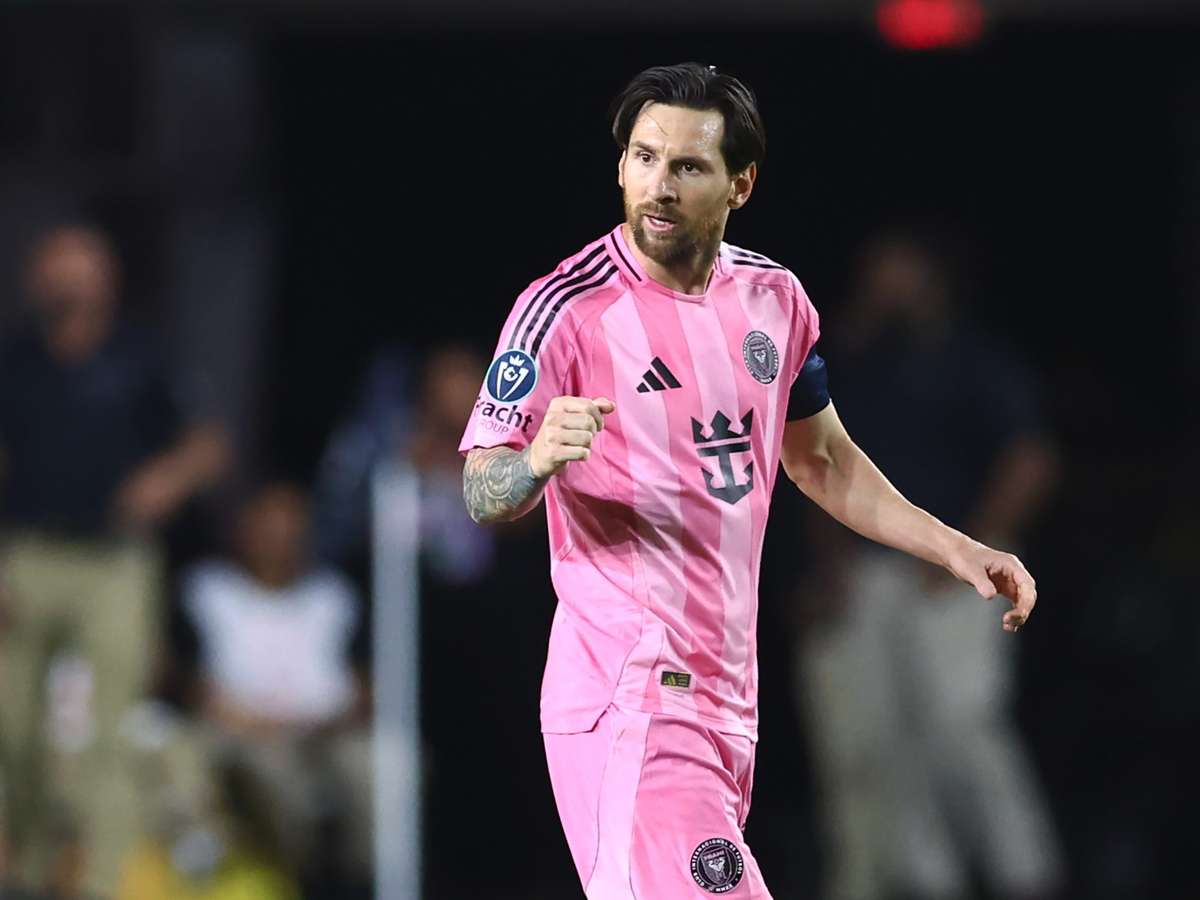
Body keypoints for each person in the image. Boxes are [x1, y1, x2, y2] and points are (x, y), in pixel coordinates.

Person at [458, 63, 1036, 900]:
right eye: (644, 158)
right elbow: (480, 488)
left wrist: (956, 548)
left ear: (741, 184)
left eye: (688, 165)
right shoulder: (565, 309)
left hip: (728, 704)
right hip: (631, 701)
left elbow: (823, 461)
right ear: (620, 166)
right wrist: (535, 460)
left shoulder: (775, 300)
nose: (660, 184)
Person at [794, 233, 1063, 900]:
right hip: (867, 574)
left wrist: (971, 549)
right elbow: (815, 465)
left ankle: (1026, 874)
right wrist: (828, 567)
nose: (883, 280)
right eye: (875, 269)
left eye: (899, 266)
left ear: (934, 273)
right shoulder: (847, 359)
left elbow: (1031, 460)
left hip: (954, 576)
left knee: (962, 726)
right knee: (878, 743)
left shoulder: (973, 360)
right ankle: (925, 882)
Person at [0, 224, 229, 898]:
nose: (69, 285)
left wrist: (167, 478)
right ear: (36, 279)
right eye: (57, 270)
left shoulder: (142, 358)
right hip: (28, 555)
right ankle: (27, 871)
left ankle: (102, 882)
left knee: (113, 728)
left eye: (82, 270)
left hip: (114, 562)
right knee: (12, 725)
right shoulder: (16, 359)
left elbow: (209, 445)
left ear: (108, 280)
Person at [181, 482, 372, 895]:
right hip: (241, 734)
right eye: (268, 529)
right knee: (275, 775)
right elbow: (188, 684)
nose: (278, 541)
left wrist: (330, 720)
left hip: (323, 733)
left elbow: (363, 689)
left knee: (386, 766)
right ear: (243, 530)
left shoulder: (334, 597)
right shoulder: (208, 591)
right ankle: (290, 883)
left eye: (290, 530)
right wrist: (240, 718)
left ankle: (375, 882)